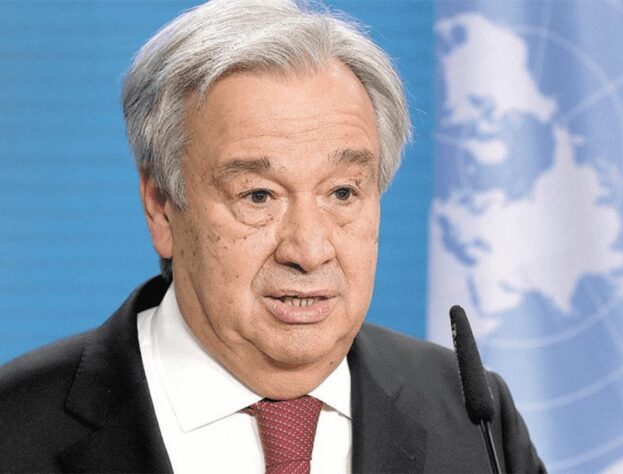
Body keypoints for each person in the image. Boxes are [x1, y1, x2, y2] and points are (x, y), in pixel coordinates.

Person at [0, 1, 544, 472]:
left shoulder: (471, 414)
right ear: (162, 207)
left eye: (342, 193)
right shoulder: (15, 425)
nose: (308, 250)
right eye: (258, 196)